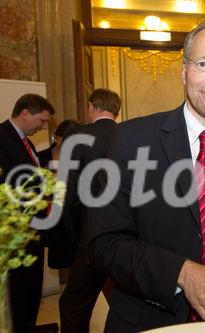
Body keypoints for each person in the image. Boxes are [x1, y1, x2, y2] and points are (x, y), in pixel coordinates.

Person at [87, 20, 205, 332]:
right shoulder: (131, 140)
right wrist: (181, 273)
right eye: (203, 64)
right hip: (150, 319)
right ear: (183, 71)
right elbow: (104, 243)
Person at [58, 88, 121, 333]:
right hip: (126, 237)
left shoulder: (77, 137)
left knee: (73, 303)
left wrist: (74, 238)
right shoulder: (131, 135)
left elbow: (69, 193)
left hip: (90, 237)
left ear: (91, 106)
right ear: (117, 110)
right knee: (124, 301)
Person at [0, 94, 55, 333]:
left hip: (32, 223)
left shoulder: (26, 143)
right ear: (25, 113)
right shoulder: (1, 137)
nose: (43, 126)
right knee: (20, 284)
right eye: (41, 121)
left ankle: (29, 326)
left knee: (31, 282)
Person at [38, 119, 81, 270]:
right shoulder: (40, 158)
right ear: (57, 137)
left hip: (74, 218)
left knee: (77, 263)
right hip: (51, 218)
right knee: (61, 260)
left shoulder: (78, 158)